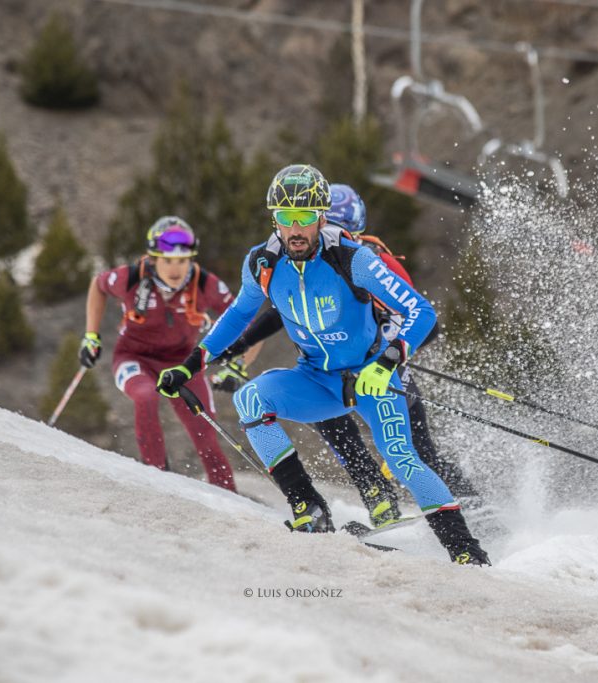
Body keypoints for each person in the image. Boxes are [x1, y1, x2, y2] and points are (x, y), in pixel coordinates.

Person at [156, 165, 489, 565]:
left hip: (371, 377)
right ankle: (308, 508)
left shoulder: (353, 258)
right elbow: (237, 318)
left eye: (305, 218)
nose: (294, 229)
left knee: (402, 459)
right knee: (250, 400)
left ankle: (466, 551)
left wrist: (389, 359)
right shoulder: (261, 263)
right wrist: (190, 365)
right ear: (273, 218)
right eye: (284, 218)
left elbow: (421, 312)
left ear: (321, 216)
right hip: (317, 379)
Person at [81, 216, 248, 491]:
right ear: (152, 257)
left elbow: (246, 320)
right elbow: (98, 286)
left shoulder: (205, 284)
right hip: (134, 358)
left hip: (183, 364)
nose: (175, 268)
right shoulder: (131, 277)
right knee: (145, 396)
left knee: (205, 430)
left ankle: (230, 498)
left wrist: (238, 363)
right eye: (167, 260)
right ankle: (157, 479)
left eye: (182, 261)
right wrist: (90, 335)